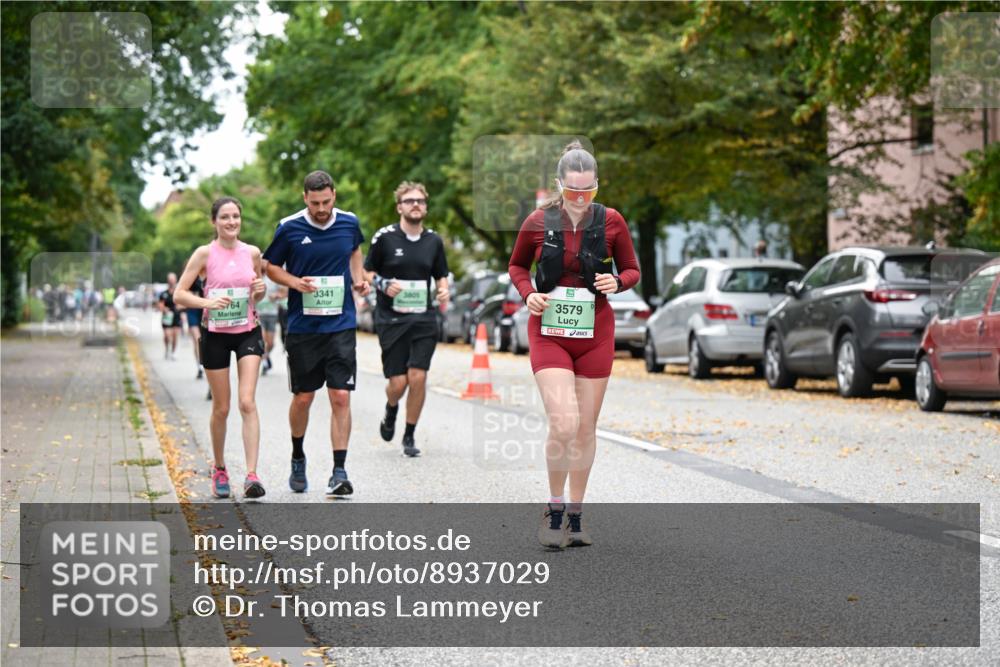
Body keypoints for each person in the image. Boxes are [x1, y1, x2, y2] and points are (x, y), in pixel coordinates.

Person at [508, 141, 640, 549]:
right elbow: (516, 266)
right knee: (563, 422)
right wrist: (527, 292)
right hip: (549, 331)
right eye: (573, 192)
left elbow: (632, 269)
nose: (581, 199)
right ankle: (554, 507)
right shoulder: (538, 220)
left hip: (595, 332)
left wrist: (616, 282)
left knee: (585, 427)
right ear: (559, 185)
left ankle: (577, 515)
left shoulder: (612, 221)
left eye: (589, 191)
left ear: (597, 186)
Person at [263, 170, 370, 496]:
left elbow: (354, 250)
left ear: (334, 195)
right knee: (304, 397)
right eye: (314, 203)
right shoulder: (290, 227)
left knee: (340, 396)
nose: (321, 208)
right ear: (304, 198)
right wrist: (294, 282)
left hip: (340, 324)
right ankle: (298, 455)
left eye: (325, 202)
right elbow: (269, 265)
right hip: (303, 327)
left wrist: (358, 278)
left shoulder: (349, 222)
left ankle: (339, 470)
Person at [174, 197, 268, 499]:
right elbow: (180, 294)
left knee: (247, 402)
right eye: (225, 217)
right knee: (222, 407)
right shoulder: (204, 254)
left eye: (236, 217)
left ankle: (252, 475)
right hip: (214, 333)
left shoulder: (252, 253)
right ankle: (220, 468)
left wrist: (261, 290)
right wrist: (207, 302)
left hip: (247, 332)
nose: (231, 222)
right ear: (214, 221)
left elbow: (258, 293)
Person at [364, 181, 450, 457]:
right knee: (398, 382)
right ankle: (391, 410)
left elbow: (441, 274)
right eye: (410, 201)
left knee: (418, 376)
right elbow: (367, 273)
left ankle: (409, 435)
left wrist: (444, 288)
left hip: (424, 318)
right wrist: (383, 283)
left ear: (425, 207)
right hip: (391, 319)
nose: (416, 205)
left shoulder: (433, 241)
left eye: (421, 201)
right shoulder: (385, 238)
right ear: (399, 206)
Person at [257, 276, 283, 375]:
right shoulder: (255, 275)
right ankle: (264, 363)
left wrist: (276, 295)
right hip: (259, 314)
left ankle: (266, 356)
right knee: (262, 341)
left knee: (271, 343)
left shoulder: (272, 276)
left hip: (272, 314)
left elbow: (283, 292)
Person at [185, 277, 207, 380]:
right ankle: (200, 366)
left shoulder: (209, 274)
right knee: (197, 339)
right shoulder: (190, 276)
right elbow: (183, 292)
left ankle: (202, 364)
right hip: (192, 311)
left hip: (204, 310)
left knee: (203, 341)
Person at [158, 273, 183, 359]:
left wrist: (180, 307)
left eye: (173, 280)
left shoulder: (179, 293)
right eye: (170, 280)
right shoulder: (163, 294)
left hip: (176, 316)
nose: (171, 282)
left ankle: (173, 352)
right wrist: (164, 309)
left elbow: (185, 304)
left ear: (175, 280)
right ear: (168, 281)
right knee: (167, 335)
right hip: (167, 317)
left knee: (175, 336)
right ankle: (167, 349)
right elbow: (160, 305)